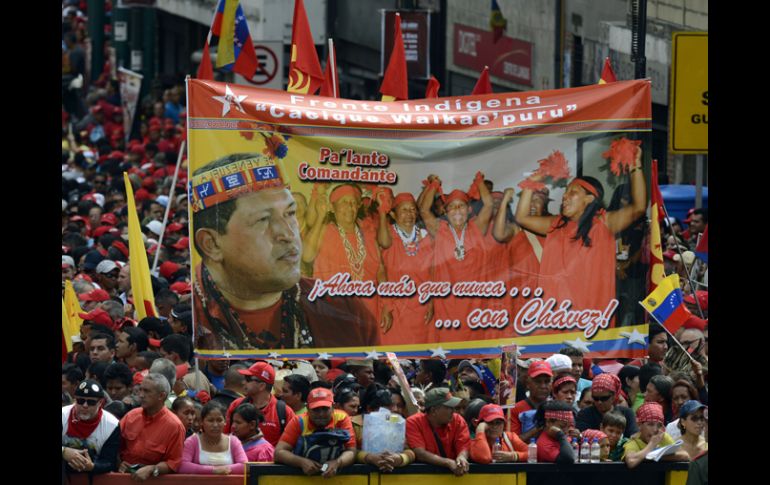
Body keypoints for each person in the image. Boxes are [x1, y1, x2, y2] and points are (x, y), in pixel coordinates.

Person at [190, 153, 380, 350]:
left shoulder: (345, 310)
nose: (289, 234)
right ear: (211, 244)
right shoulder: (188, 319)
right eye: (263, 219)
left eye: (290, 213)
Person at [515, 146, 646, 317]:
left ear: (589, 198)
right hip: (554, 317)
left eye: (573, 192)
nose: (564, 196)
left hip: (589, 320)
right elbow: (522, 218)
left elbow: (639, 207)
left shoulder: (604, 222)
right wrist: (532, 181)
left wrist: (636, 165)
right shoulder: (556, 224)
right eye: (565, 192)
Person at [418, 174, 494, 336]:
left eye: (461, 206)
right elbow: (424, 209)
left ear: (469, 209)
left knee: (474, 342)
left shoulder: (477, 227)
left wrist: (479, 182)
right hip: (447, 302)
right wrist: (434, 185)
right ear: (445, 212)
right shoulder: (440, 229)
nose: (457, 210)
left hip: (475, 301)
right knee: (449, 341)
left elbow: (488, 205)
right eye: (452, 207)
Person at [376, 191, 434, 343]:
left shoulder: (426, 236)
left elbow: (433, 271)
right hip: (395, 306)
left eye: (413, 209)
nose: (409, 214)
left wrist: (432, 301)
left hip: (421, 305)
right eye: (404, 210)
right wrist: (386, 305)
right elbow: (381, 272)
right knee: (395, 353)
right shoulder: (387, 235)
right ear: (394, 215)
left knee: (420, 352)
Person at [274, 387, 357, 478]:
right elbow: (279, 452)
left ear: (333, 407)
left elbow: (351, 451)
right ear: (307, 408)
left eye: (325, 409)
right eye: (316, 409)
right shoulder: (298, 421)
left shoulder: (342, 418)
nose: (321, 414)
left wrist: (337, 462)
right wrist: (301, 462)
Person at [118, 373, 186, 480]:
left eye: (147, 391)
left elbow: (174, 462)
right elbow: (114, 447)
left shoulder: (175, 426)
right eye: (141, 390)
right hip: (123, 478)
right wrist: (119, 463)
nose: (141, 395)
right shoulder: (130, 416)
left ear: (161, 396)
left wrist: (153, 469)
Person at [224, 361, 296, 447]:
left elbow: (291, 446)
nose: (243, 382)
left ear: (262, 386)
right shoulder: (236, 405)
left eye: (248, 379)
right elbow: (224, 438)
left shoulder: (285, 412)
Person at [406, 387, 471, 476]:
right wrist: (447, 462)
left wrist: (462, 457)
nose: (453, 410)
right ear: (434, 410)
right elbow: (420, 453)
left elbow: (464, 445)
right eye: (449, 407)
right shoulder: (414, 422)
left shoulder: (458, 420)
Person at [62, 380, 121, 475]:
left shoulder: (112, 425)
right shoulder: (63, 415)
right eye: (80, 401)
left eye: (91, 402)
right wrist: (64, 452)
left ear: (100, 402)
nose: (85, 406)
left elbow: (109, 462)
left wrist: (92, 466)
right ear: (75, 400)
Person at [179, 401, 248, 475]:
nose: (215, 425)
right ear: (202, 421)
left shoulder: (233, 441)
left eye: (219, 420)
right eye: (210, 420)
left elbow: (244, 466)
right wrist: (213, 470)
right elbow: (182, 466)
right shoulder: (192, 442)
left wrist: (220, 470)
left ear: (225, 421)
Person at [623, 402, 689, 469]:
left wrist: (653, 457)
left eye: (659, 425)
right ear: (639, 425)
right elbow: (631, 461)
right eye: (650, 424)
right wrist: (652, 444)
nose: (655, 430)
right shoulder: (633, 442)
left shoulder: (663, 437)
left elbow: (685, 455)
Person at [576, 373, 638, 438]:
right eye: (596, 398)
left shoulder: (627, 413)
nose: (599, 402)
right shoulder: (584, 414)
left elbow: (633, 436)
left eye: (604, 398)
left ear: (613, 396)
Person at [509, 360, 553, 443]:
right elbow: (512, 442)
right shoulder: (515, 409)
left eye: (547, 381)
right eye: (538, 381)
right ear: (528, 384)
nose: (543, 386)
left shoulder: (557, 407)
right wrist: (539, 428)